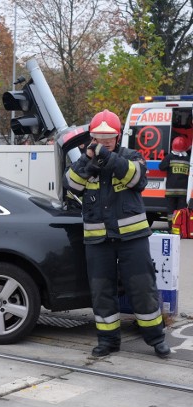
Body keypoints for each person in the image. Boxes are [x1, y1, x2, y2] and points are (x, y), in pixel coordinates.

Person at [64, 109, 170, 359]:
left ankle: (156, 339)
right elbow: (71, 185)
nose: (103, 142)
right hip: (98, 240)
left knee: (142, 288)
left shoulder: (131, 156)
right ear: (91, 137)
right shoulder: (84, 161)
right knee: (101, 291)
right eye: (98, 137)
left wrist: (107, 158)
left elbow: (138, 180)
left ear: (118, 136)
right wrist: (88, 161)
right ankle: (108, 340)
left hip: (132, 239)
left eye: (108, 137)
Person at [159, 136, 191, 227]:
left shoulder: (170, 157)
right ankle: (180, 227)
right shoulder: (188, 159)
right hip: (183, 192)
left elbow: (161, 167)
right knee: (181, 211)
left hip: (171, 191)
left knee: (171, 211)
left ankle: (171, 227)